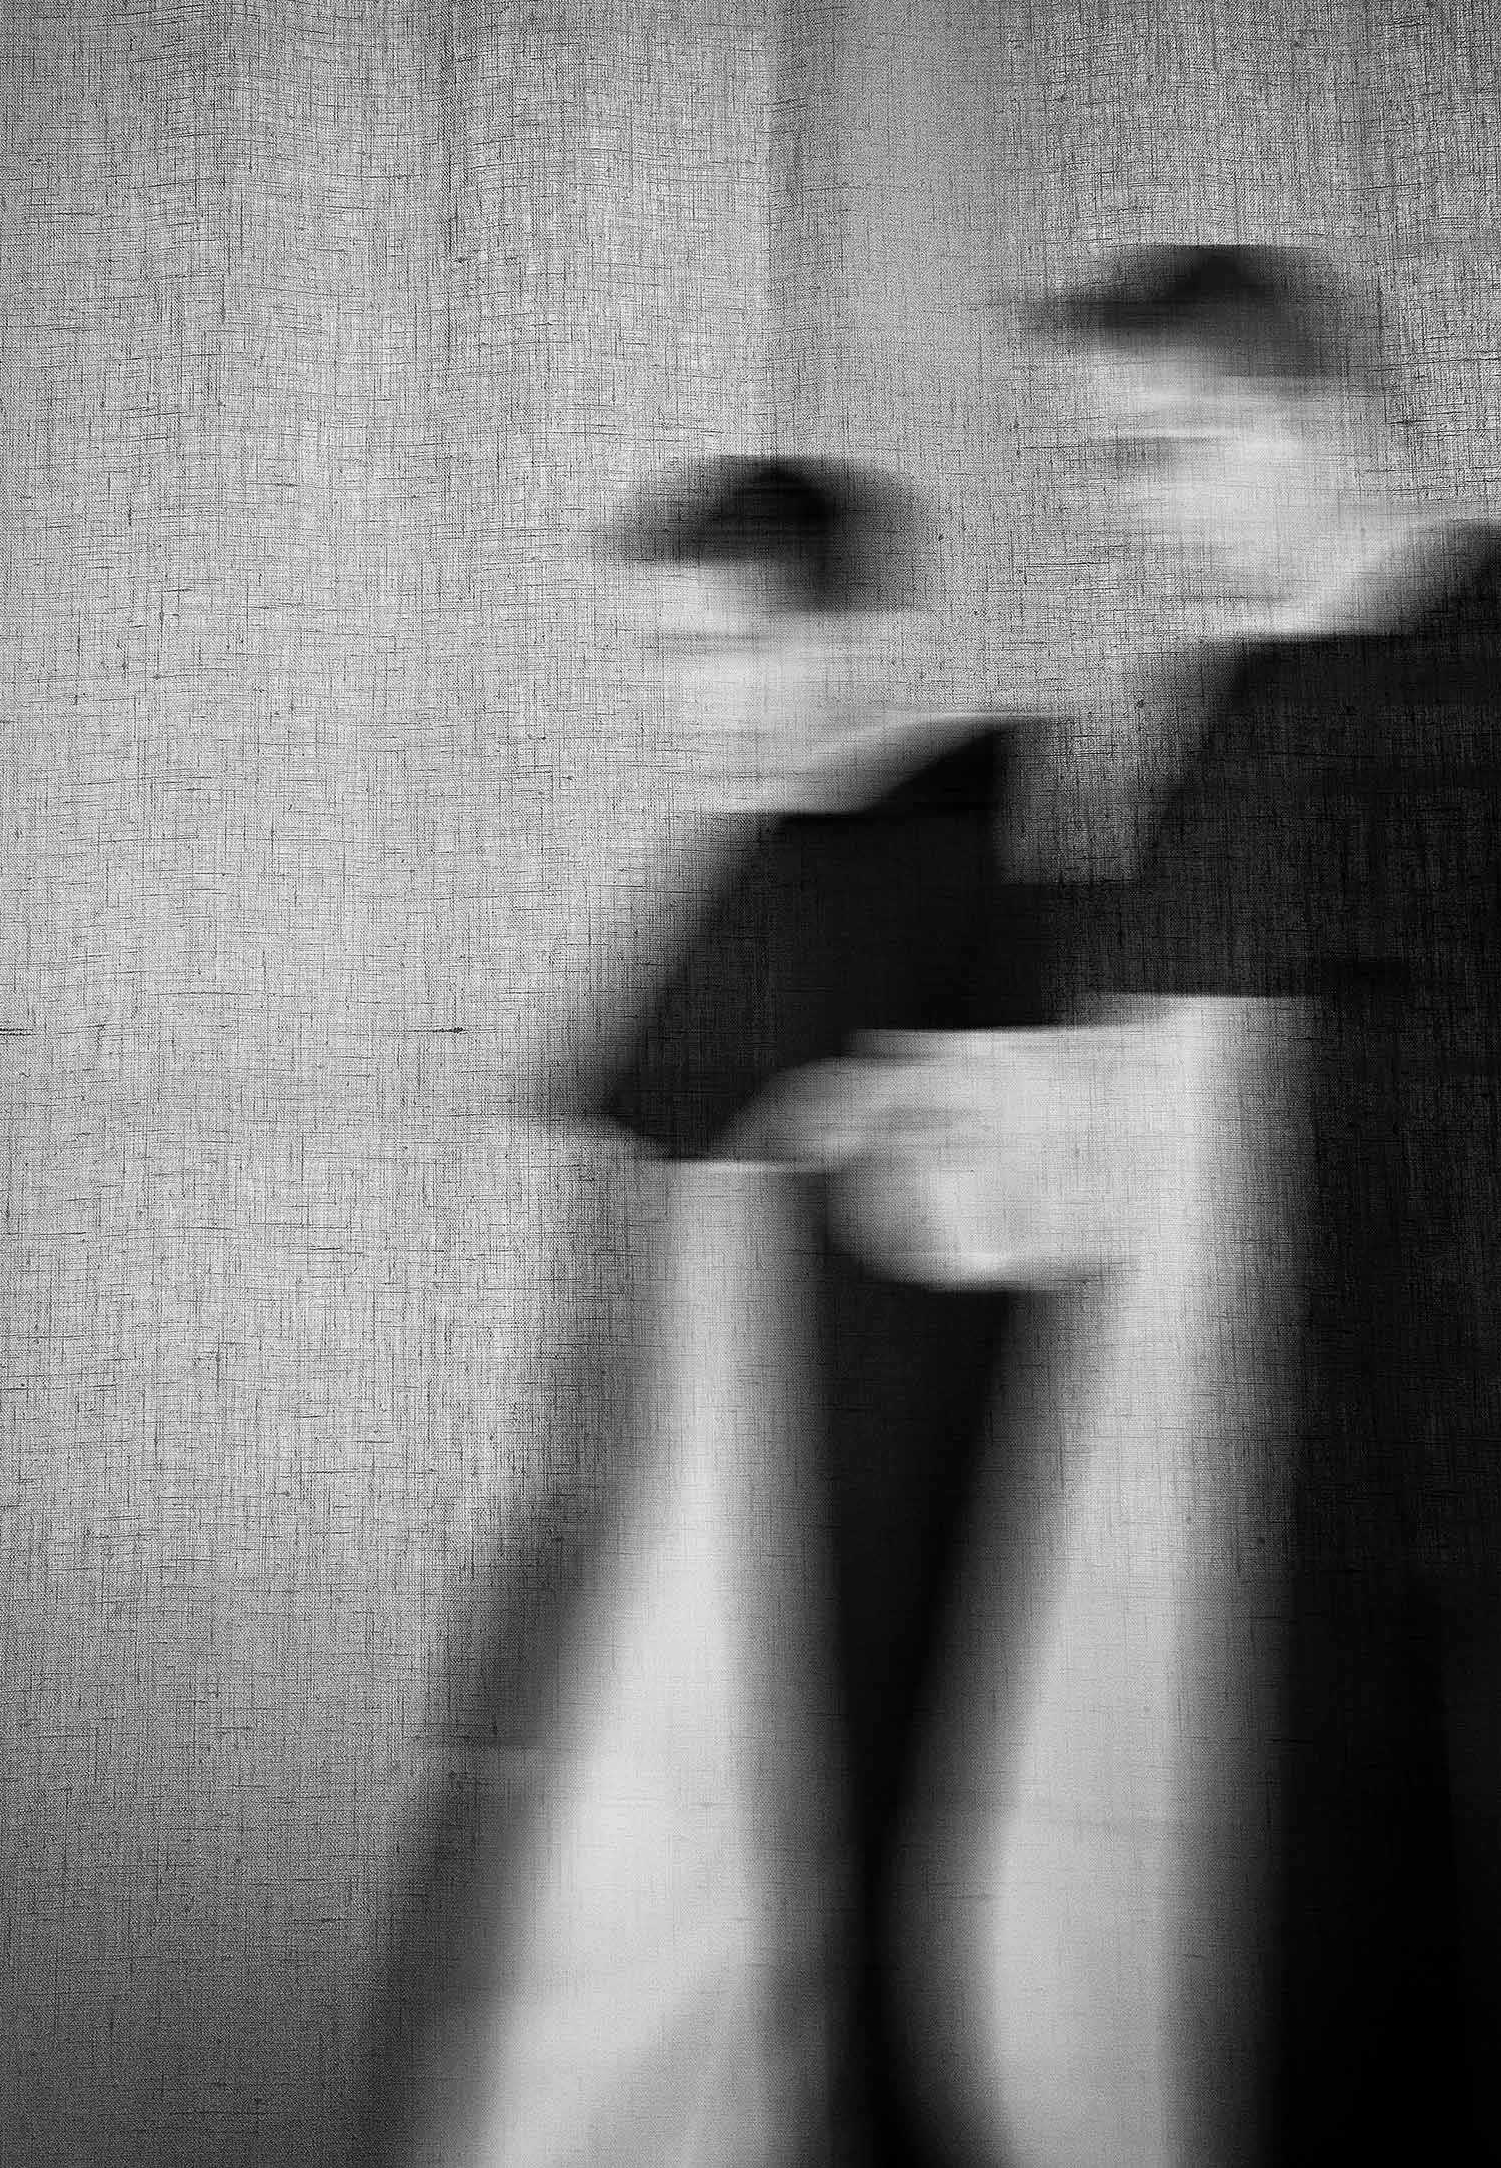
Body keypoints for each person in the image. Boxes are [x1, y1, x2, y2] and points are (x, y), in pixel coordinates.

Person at [823, 249, 1501, 2165]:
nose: (1142, 512)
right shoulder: (1203, 711)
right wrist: (963, 1123)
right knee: (1291, 1991)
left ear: (1345, 418)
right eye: (1112, 466)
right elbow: (1158, 1090)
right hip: (1261, 1505)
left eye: (1176, 452)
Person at [538, 455, 1054, 2168]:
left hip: (900, 1525)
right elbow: (656, 1192)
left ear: (868, 631)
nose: (701, 702)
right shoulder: (766, 862)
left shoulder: (979, 860)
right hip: (712, 1534)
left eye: (743, 646)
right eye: (670, 655)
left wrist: (922, 1122)